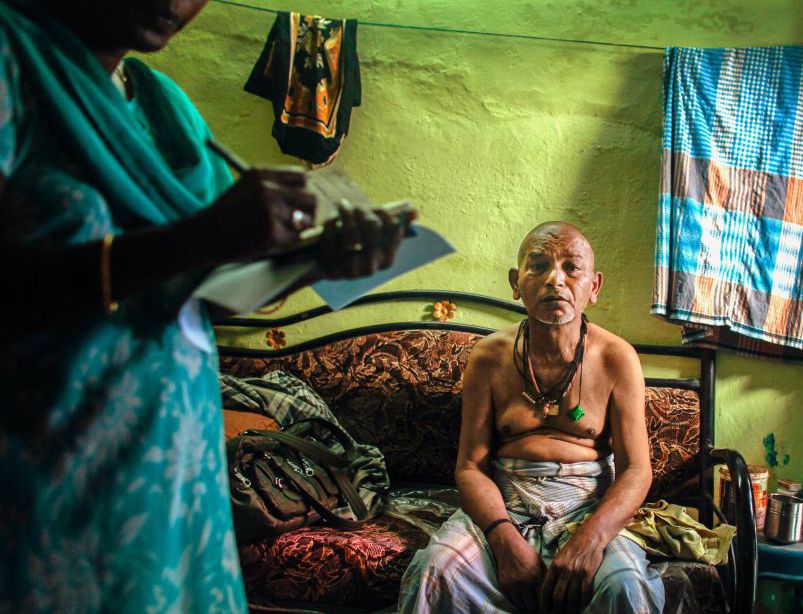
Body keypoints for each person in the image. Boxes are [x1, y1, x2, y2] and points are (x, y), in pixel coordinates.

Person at [0, 1, 404, 611]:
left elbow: (203, 293)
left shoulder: (164, 110)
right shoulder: (11, 63)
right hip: (47, 463)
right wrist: (198, 237)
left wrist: (322, 263)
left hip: (171, 464)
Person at [399, 222, 665, 613]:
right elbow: (471, 467)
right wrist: (503, 538)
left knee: (624, 587)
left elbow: (637, 471)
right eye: (538, 266)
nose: (555, 280)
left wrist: (591, 540)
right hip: (506, 501)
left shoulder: (616, 358)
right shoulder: (489, 358)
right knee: (434, 573)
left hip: (589, 506)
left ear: (594, 286)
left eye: (572, 268)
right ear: (515, 282)